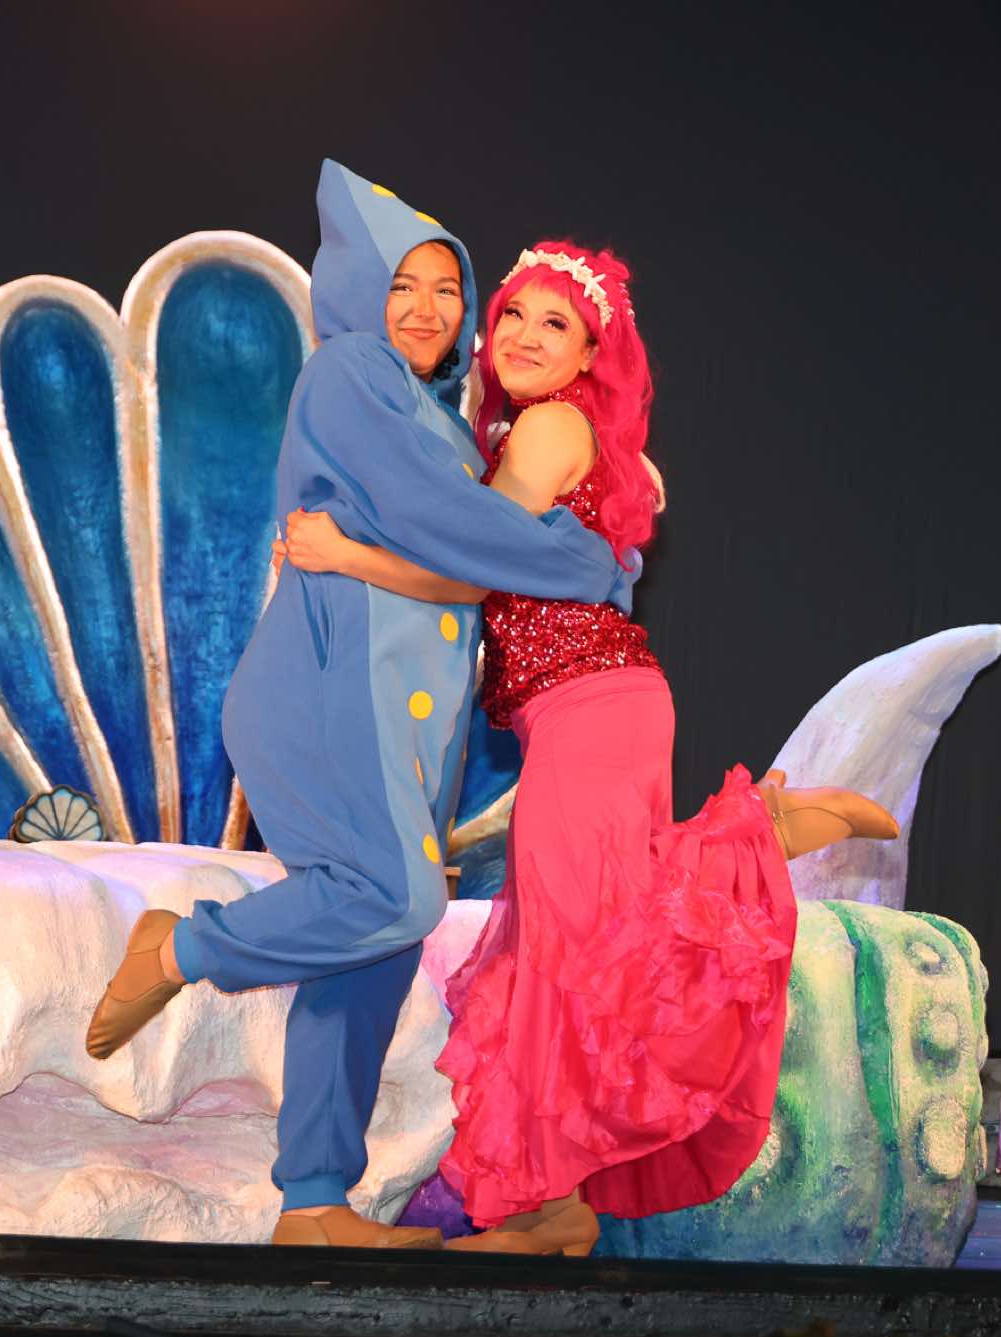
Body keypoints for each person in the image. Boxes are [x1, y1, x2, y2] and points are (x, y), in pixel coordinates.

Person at [278, 241, 896, 1255]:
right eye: (513, 315)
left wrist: (344, 553)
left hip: (591, 706)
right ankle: (552, 1205)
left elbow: (469, 564)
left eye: (554, 323)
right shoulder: (538, 433)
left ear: (588, 356)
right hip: (584, 710)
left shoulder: (549, 426)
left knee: (574, 944)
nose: (524, 335)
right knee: (561, 948)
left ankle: (754, 835)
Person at [83, 167, 642, 1251]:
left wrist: (391, 557)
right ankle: (181, 948)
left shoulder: (437, 414)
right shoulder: (349, 373)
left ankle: (313, 1204)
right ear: (354, 292)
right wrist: (581, 561)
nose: (429, 309)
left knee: (367, 951)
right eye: (402, 286)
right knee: (397, 902)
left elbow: (454, 566)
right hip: (328, 689)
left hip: (402, 722)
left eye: (447, 289)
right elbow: (448, 526)